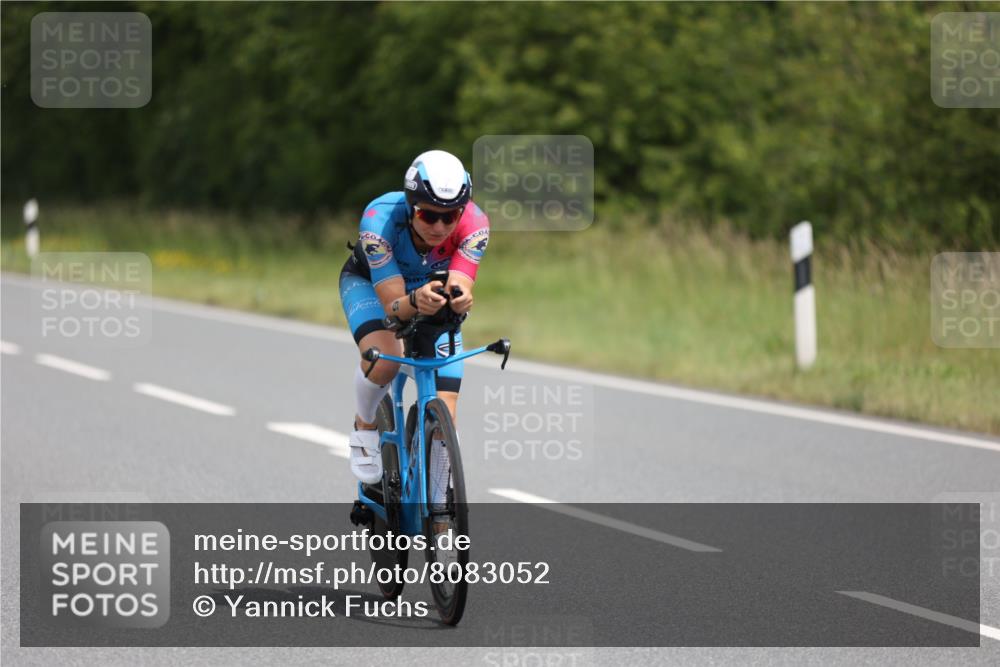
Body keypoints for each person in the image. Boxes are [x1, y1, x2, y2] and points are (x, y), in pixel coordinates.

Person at [338, 150, 490, 507]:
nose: (439, 228)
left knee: (447, 411)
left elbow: (461, 281)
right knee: (387, 359)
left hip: (427, 290)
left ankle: (439, 507)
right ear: (410, 204)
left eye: (449, 217)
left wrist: (461, 297)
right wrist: (413, 300)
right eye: (428, 215)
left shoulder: (476, 224)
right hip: (373, 285)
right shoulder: (379, 219)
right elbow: (393, 305)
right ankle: (365, 426)